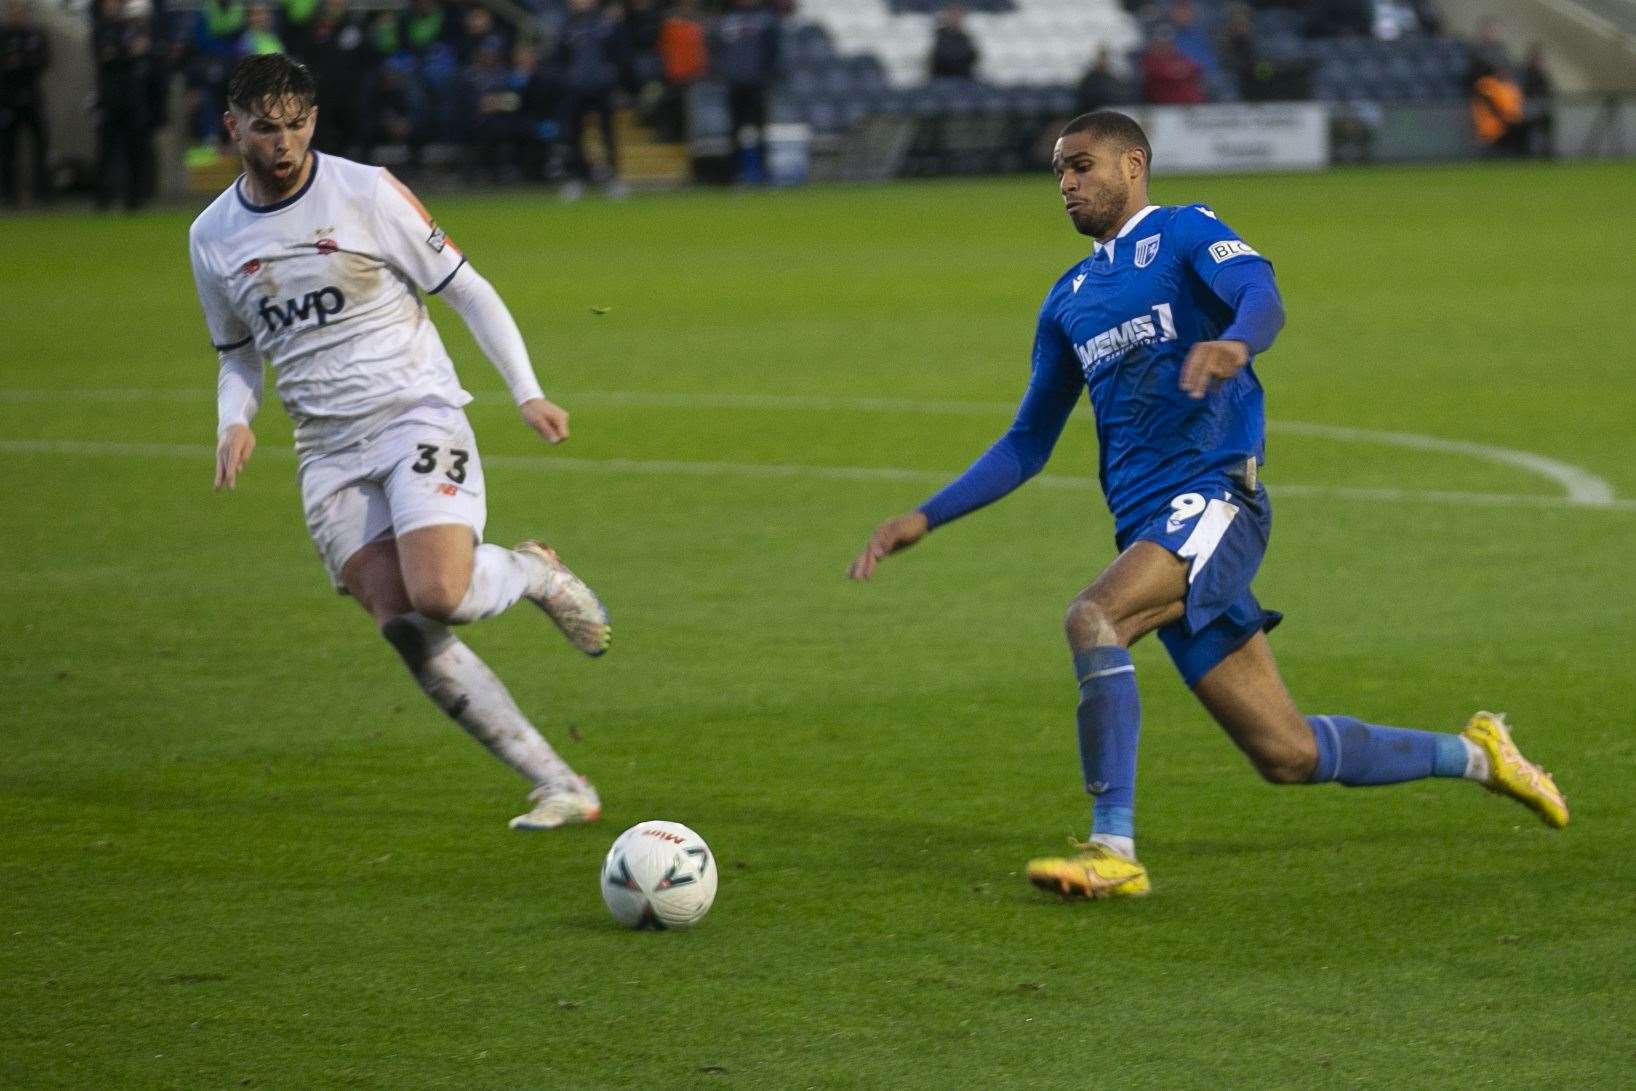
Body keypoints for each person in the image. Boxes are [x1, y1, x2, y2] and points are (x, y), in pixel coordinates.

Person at [847, 110, 1568, 899]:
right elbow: (1028, 440)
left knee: (1094, 617)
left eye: (1082, 165)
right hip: (1153, 530)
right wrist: (925, 515)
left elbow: (1260, 291)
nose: (1066, 183)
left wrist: (1240, 341)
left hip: (1216, 494)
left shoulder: (1186, 233)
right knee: (1287, 753)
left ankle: (1112, 847)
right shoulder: (1069, 301)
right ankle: (1480, 755)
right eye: (1059, 170)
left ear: (1134, 164)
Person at [188, 54, 612, 831]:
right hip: (326, 451)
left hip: (415, 412)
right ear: (232, 127)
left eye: (296, 126)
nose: (283, 144)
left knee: (441, 591)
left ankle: (531, 573)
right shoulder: (211, 236)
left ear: (312, 121)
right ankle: (559, 783)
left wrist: (527, 391)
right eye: (265, 129)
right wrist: (234, 421)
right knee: (407, 625)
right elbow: (236, 353)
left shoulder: (366, 193)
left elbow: (467, 290)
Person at [0, 0, 51, 207]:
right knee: (8, 149)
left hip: (32, 98)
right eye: (15, 9)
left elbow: (43, 61)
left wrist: (21, 62)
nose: (19, 14)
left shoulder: (36, 35)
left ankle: (42, 192)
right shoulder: (3, 36)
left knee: (40, 146)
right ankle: (7, 193)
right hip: (8, 100)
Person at [928, 3, 978, 81]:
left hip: (964, 78)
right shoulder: (938, 36)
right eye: (952, 14)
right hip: (941, 78)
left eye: (957, 15)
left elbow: (972, 57)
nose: (955, 18)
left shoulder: (965, 37)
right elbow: (939, 58)